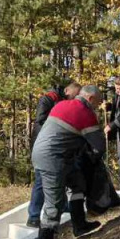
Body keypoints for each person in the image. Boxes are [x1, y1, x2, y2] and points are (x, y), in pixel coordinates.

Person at [31, 85, 105, 239]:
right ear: (90, 99)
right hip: (53, 159)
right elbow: (99, 145)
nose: (99, 104)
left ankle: (80, 226)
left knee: (77, 183)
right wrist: (94, 158)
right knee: (54, 203)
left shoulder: (62, 104)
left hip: (46, 154)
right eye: (99, 101)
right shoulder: (85, 113)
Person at [26, 81, 82, 228]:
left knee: (62, 176)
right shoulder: (47, 99)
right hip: (43, 145)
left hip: (58, 146)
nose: (75, 99)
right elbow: (40, 119)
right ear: (67, 91)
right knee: (40, 181)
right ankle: (33, 215)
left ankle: (62, 205)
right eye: (75, 95)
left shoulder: (63, 101)